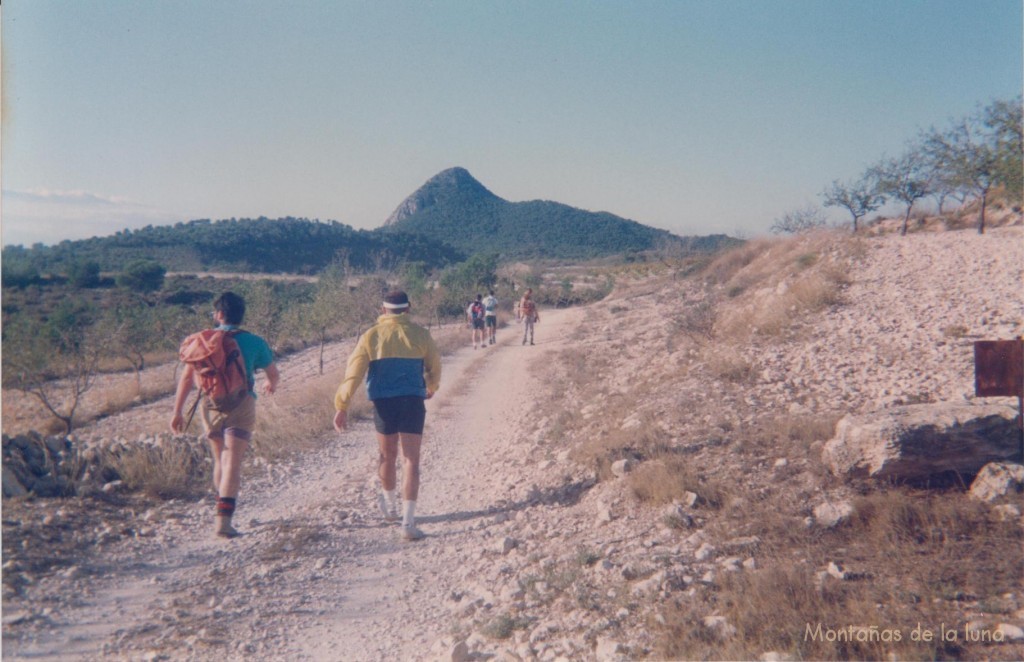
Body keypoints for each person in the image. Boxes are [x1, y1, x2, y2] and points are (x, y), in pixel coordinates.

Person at [333, 290, 441, 542]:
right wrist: (432, 386)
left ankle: (391, 507)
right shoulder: (421, 334)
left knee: (387, 455)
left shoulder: (370, 336)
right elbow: (435, 365)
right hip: (413, 401)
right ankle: (408, 523)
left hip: (383, 403)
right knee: (411, 460)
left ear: (383, 311)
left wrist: (342, 405)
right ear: (408, 309)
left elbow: (353, 374)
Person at [170, 291, 280, 538]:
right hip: (242, 404)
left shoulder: (203, 341)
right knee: (233, 461)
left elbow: (187, 378)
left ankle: (220, 510)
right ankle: (224, 521)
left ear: (219, 315)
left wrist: (177, 411)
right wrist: (271, 384)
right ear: (241, 316)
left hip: (209, 405)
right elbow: (273, 373)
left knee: (220, 459)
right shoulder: (255, 342)